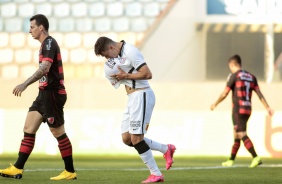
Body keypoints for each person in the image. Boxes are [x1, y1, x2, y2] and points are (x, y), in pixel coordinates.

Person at [0, 14, 77, 180]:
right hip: (43, 94)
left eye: (32, 27)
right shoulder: (44, 45)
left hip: (53, 94)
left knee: (58, 132)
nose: (30, 31)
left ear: (41, 27)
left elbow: (45, 68)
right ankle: (18, 168)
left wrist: (25, 84)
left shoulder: (49, 42)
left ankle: (70, 171)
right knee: (29, 128)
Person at [94, 36, 176, 183]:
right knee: (127, 138)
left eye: (106, 55)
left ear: (111, 47)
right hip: (132, 98)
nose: (108, 59)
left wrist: (126, 75)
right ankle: (165, 149)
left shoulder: (130, 52)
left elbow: (148, 74)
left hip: (142, 95)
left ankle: (156, 174)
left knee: (136, 138)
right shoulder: (120, 55)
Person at [210, 54, 274, 168]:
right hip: (248, 109)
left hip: (238, 109)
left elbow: (225, 93)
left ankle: (256, 157)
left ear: (233, 64)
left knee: (241, 134)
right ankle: (231, 160)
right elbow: (259, 94)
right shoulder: (251, 76)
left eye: (230, 66)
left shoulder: (234, 76)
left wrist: (215, 103)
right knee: (237, 134)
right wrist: (267, 107)